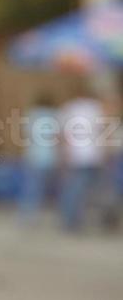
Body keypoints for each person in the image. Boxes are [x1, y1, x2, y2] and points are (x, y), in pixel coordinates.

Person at [58, 85, 108, 232]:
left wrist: (64, 153)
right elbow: (103, 132)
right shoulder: (96, 108)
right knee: (91, 190)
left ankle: (71, 221)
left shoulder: (69, 108)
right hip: (93, 155)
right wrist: (104, 152)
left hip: (75, 156)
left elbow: (62, 134)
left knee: (74, 189)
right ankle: (80, 220)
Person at [17, 92, 60, 225]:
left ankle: (27, 217)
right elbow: (57, 137)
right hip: (51, 157)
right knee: (52, 190)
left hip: (33, 156)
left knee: (31, 189)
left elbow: (26, 135)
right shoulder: (55, 115)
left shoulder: (32, 115)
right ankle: (56, 217)